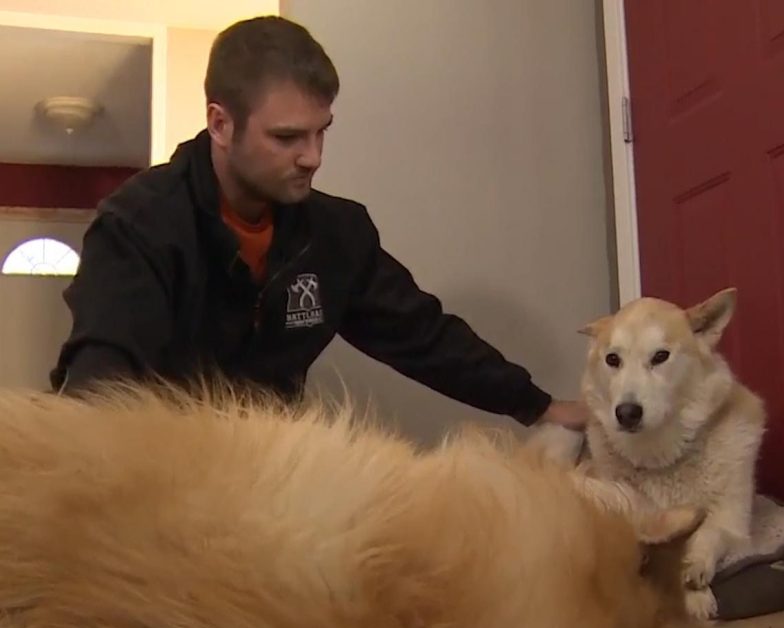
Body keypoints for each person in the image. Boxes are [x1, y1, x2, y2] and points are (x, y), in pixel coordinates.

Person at [50, 15, 587, 430]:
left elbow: (423, 336)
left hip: (273, 482)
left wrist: (536, 406)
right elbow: (101, 392)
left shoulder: (337, 236)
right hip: (156, 484)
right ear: (220, 123)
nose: (313, 157)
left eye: (321, 132)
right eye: (287, 138)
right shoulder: (138, 224)